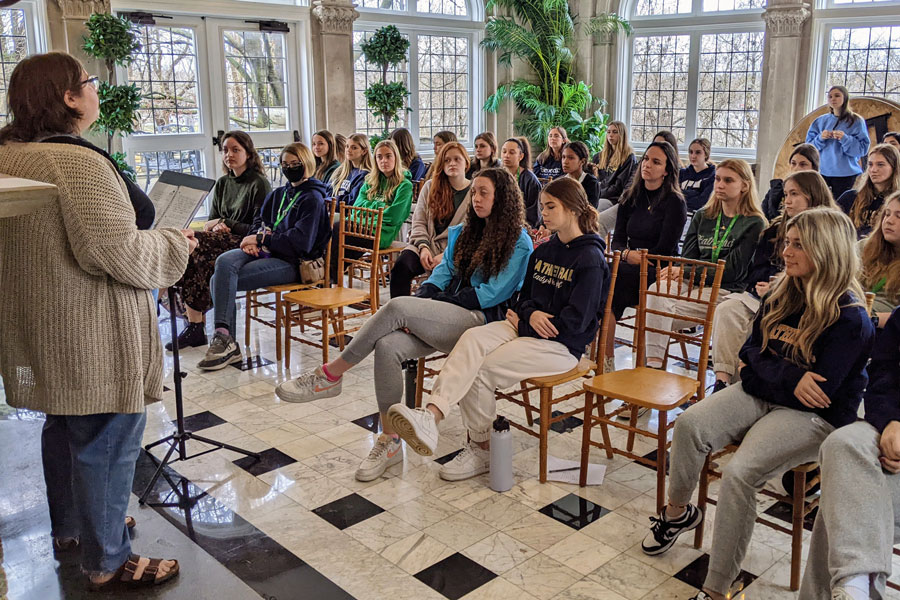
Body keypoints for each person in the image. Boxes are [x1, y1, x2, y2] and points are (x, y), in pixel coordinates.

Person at [0, 51, 189, 590]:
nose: (97, 89)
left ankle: (74, 529)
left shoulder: (9, 153)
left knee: (63, 425)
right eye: (90, 81)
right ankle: (108, 556)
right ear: (68, 96)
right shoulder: (75, 162)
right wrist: (174, 242)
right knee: (111, 430)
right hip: (88, 328)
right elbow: (116, 251)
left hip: (40, 319)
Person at [641, 208, 875, 600]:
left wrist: (764, 370)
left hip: (814, 417)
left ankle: (717, 588)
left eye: (798, 245)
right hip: (764, 393)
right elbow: (749, 356)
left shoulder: (850, 317)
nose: (786, 251)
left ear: (826, 249)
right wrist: (786, 375)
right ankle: (678, 513)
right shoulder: (783, 291)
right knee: (689, 425)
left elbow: (820, 395)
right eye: (787, 242)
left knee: (739, 475)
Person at [274, 168, 533, 482]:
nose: (475, 199)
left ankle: (329, 375)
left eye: (483, 193)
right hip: (448, 315)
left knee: (398, 306)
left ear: (502, 198)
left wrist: (426, 309)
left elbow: (492, 293)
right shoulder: (466, 231)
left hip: (480, 321)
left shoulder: (519, 242)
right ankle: (390, 441)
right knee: (388, 346)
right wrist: (427, 298)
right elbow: (444, 271)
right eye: (474, 192)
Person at [385, 177, 610, 480]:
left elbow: (575, 324)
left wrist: (528, 320)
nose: (543, 212)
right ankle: (431, 415)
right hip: (525, 328)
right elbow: (522, 300)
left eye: (551, 206)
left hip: (561, 347)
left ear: (572, 209)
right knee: (472, 338)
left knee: (482, 369)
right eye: (542, 206)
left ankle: (482, 448)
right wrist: (529, 316)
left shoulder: (591, 259)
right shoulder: (544, 252)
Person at [198, 142, 331, 370]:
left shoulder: (312, 199)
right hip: (264, 252)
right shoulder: (280, 193)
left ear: (306, 163)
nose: (289, 168)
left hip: (293, 262)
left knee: (219, 281)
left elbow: (300, 242)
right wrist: (253, 239)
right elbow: (260, 221)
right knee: (224, 262)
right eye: (285, 164)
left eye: (295, 164)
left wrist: (262, 240)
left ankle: (225, 340)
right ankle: (225, 337)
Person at [798, 307, 900, 600]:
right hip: (888, 428)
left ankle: (854, 585)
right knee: (841, 447)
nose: (784, 256)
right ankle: (855, 586)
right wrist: (892, 418)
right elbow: (883, 374)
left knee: (842, 502)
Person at [710, 171, 836, 391]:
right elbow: (757, 270)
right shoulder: (774, 230)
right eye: (786, 194)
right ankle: (723, 381)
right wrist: (766, 286)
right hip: (763, 297)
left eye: (794, 194)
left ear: (813, 196)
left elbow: (828, 274)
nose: (787, 200)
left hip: (806, 302)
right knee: (728, 309)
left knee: (756, 327)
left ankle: (749, 380)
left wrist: (780, 284)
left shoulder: (830, 232)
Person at [644, 158, 767, 368]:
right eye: (718, 179)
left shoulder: (754, 222)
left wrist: (684, 272)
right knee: (657, 289)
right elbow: (689, 258)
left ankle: (653, 362)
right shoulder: (703, 215)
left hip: (726, 289)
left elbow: (731, 271)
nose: (719, 185)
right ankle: (653, 365)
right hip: (691, 280)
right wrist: (685, 271)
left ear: (745, 186)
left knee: (656, 313)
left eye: (728, 180)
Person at [164, 131, 271, 349]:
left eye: (235, 150)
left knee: (191, 243)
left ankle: (192, 322)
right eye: (225, 150)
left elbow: (258, 228)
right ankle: (194, 324)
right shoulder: (222, 183)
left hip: (243, 242)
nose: (229, 155)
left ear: (248, 153)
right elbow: (210, 220)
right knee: (190, 247)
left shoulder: (259, 183)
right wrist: (217, 224)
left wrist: (226, 223)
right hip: (218, 238)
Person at [605, 141, 688, 371]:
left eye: (656, 162)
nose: (647, 165)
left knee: (611, 280)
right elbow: (618, 241)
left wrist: (633, 258)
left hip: (659, 268)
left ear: (667, 170)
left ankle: (630, 367)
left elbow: (665, 249)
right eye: (646, 159)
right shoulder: (631, 197)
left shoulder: (674, 202)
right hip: (630, 263)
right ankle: (605, 361)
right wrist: (627, 255)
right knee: (605, 277)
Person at [390, 141, 471, 297]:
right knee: (401, 266)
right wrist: (423, 247)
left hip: (455, 250)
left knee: (440, 286)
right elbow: (419, 222)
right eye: (447, 160)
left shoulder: (473, 192)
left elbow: (470, 233)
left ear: (466, 163)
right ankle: (400, 311)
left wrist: (447, 255)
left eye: (457, 159)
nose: (452, 163)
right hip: (426, 244)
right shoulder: (430, 187)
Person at [329, 139, 413, 274]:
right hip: (360, 227)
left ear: (396, 158)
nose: (383, 161)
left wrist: (368, 211)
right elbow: (357, 205)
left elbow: (394, 216)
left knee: (339, 230)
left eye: (388, 156)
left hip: (381, 234)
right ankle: (331, 275)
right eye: (379, 157)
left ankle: (328, 277)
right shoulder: (370, 180)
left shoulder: (404, 185)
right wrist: (380, 206)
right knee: (335, 234)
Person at [806, 85, 870, 199]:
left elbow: (862, 149)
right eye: (830, 96)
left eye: (837, 96)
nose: (833, 99)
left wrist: (845, 139)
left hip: (847, 175)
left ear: (845, 98)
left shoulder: (856, 121)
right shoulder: (820, 121)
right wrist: (820, 138)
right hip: (822, 173)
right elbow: (808, 149)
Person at [837, 143, 900, 239]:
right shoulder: (850, 197)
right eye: (870, 164)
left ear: (894, 167)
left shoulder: (896, 202)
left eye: (880, 165)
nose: (873, 170)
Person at [859, 191, 900, 331]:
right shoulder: (864, 247)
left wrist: (872, 319)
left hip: (884, 332)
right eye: (887, 214)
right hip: (852, 318)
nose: (889, 221)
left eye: (898, 216)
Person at [761, 143, 820, 220]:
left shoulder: (818, 192)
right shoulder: (777, 189)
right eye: (793, 163)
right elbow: (764, 214)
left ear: (814, 168)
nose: (796, 168)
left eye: (803, 164)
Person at [500, 137, 542, 229]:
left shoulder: (530, 180)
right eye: (504, 152)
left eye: (511, 152)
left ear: (521, 156)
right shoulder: (497, 177)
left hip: (522, 228)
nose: (506, 155)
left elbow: (534, 215)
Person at [595, 120, 637, 206]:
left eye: (615, 132)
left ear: (622, 135)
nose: (611, 135)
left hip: (612, 199)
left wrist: (597, 193)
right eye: (608, 132)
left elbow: (618, 187)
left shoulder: (628, 158)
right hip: (598, 194)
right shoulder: (599, 156)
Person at [329, 132, 373, 205]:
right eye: (347, 146)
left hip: (347, 214)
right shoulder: (341, 170)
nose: (348, 150)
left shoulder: (366, 175)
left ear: (364, 151)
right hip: (333, 210)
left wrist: (332, 200)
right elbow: (328, 190)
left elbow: (353, 200)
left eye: (354, 148)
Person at [561, 141, 601, 209]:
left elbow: (591, 211)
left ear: (582, 161)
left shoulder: (591, 183)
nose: (565, 161)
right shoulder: (560, 182)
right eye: (563, 157)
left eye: (571, 158)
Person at [680, 138, 716, 212]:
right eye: (691, 152)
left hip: (698, 217)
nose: (693, 156)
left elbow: (701, 202)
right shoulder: (681, 173)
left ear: (706, 154)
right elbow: (673, 197)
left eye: (698, 152)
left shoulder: (712, 177)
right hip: (679, 212)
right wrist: (695, 193)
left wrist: (683, 194)